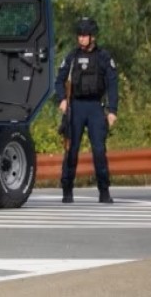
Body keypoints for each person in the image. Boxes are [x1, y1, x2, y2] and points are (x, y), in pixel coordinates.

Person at [56, 17, 118, 204]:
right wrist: (62, 100)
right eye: (79, 35)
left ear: (92, 37)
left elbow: (113, 84)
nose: (81, 39)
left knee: (99, 150)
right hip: (75, 107)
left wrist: (112, 110)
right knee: (71, 150)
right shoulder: (72, 57)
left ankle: (104, 191)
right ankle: (67, 191)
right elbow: (59, 80)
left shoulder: (103, 57)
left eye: (84, 35)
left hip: (95, 108)